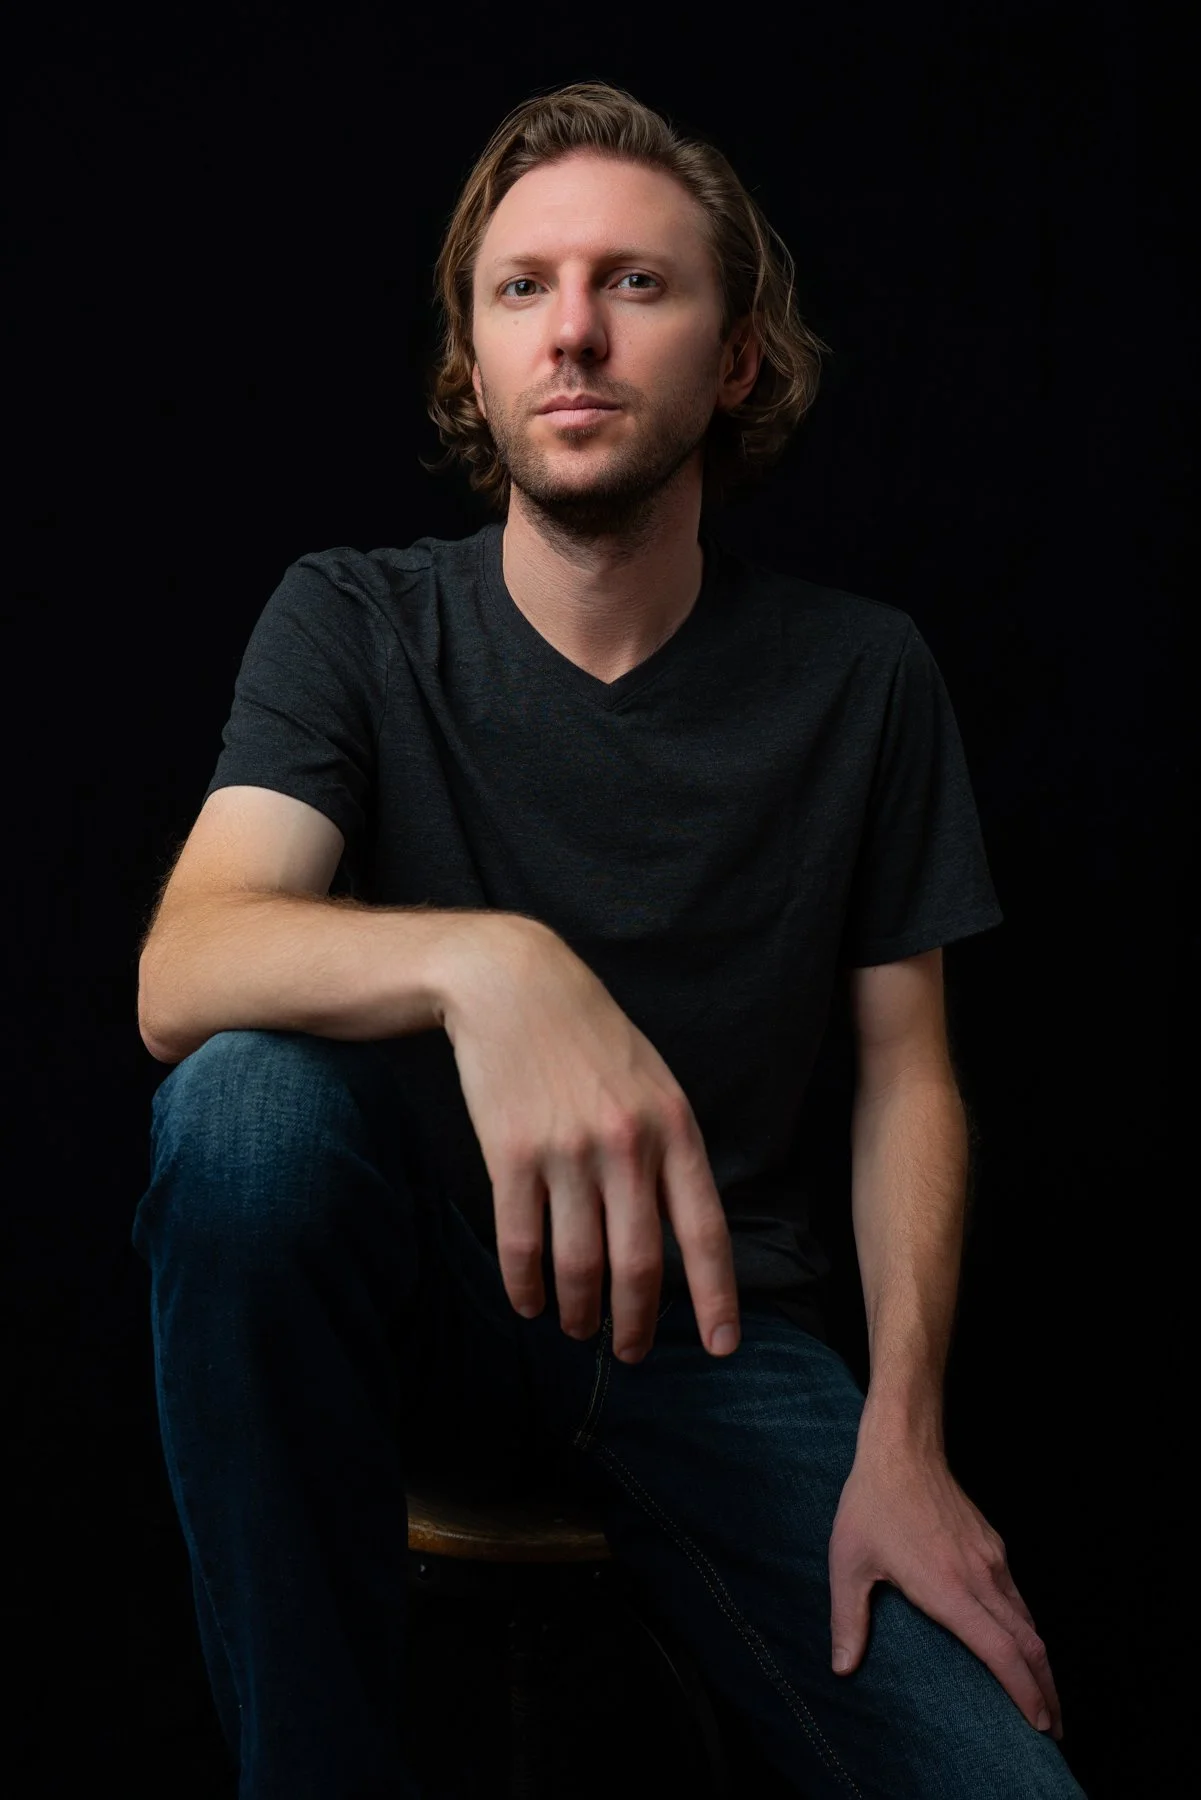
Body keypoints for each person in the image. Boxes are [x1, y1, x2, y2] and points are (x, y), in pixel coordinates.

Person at [132, 78, 1088, 1800]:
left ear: (737, 355)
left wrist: (908, 1444)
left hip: (717, 1353)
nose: (573, 332)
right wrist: (492, 957)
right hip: (405, 1319)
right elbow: (185, 968)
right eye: (523, 289)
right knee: (242, 1112)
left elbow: (907, 1082)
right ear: (473, 358)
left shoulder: (863, 675)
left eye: (636, 284)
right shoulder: (353, 620)